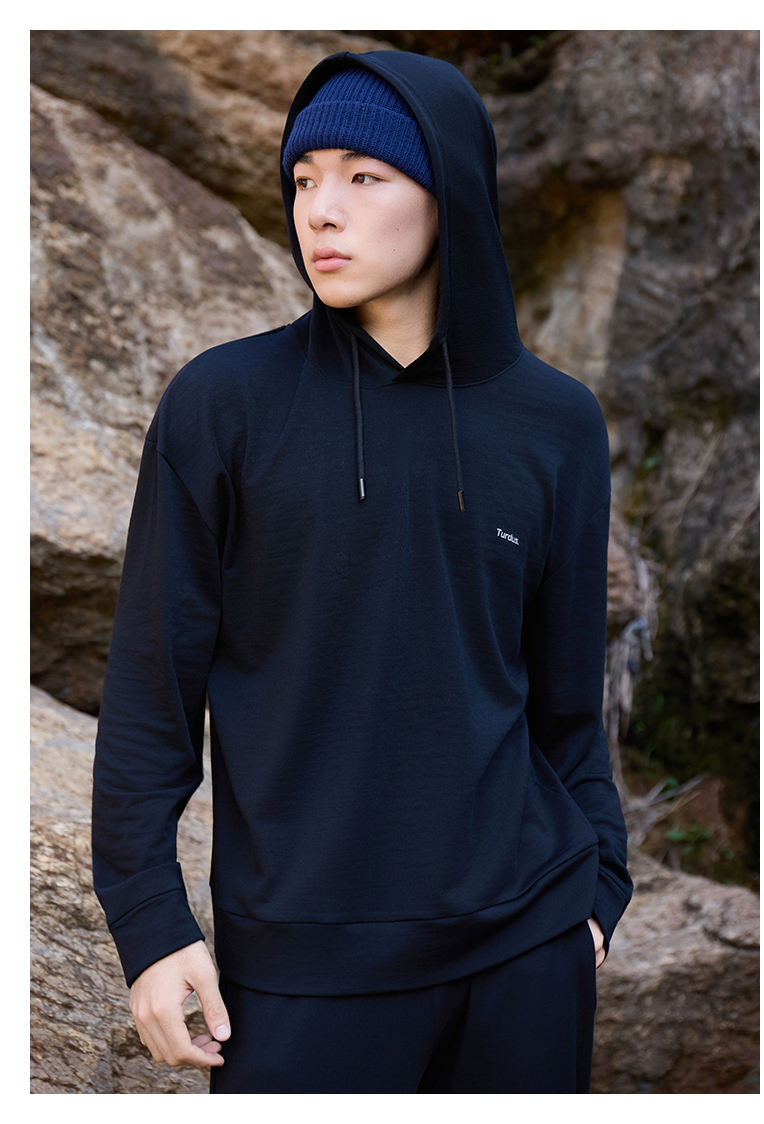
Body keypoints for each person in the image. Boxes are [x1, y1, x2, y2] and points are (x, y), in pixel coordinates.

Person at [92, 48, 632, 1094]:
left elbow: (567, 707)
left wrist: (599, 888)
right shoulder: (223, 405)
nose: (320, 211)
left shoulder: (556, 423)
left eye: (362, 176)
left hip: (526, 949)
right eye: (303, 180)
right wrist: (150, 923)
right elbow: (151, 694)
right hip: (301, 970)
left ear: (448, 192)